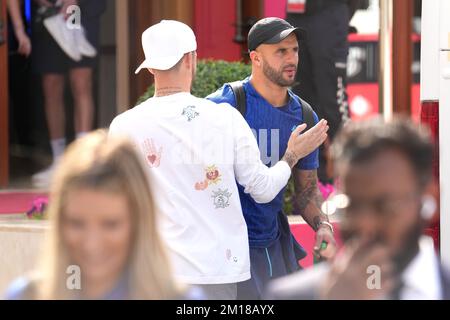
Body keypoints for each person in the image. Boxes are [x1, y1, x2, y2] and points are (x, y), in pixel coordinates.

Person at [109, 20, 329, 300]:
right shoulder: (223, 117)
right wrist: (291, 156)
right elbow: (262, 189)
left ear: (150, 67)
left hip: (153, 271)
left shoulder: (123, 126)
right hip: (218, 270)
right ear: (192, 59)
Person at [207, 17, 337, 299]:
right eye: (281, 51)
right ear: (255, 57)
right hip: (228, 251)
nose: (291, 58)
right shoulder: (224, 105)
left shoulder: (303, 116)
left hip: (275, 247)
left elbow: (306, 192)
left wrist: (323, 226)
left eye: (295, 50)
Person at [265, 117, 450, 300]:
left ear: (430, 198)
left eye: (386, 207)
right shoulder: (291, 296)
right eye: (352, 206)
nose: (365, 224)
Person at [5, 130, 201, 300]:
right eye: (77, 223)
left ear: (139, 222)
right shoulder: (24, 295)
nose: (92, 244)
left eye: (110, 224)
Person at [286, 0, 369, 184]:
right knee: (301, 103)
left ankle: (351, 176)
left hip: (329, 13)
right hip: (295, 13)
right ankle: (314, 180)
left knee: (332, 102)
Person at [31, 0, 106, 188]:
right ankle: (58, 160)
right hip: (48, 12)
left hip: (82, 10)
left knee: (81, 82)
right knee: (51, 84)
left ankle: (84, 161)